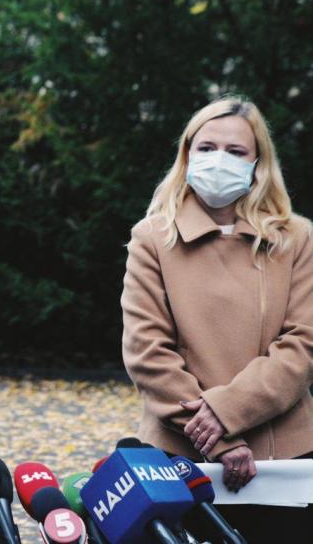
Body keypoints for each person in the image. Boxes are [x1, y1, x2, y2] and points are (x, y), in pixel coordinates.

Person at [121, 97, 313, 540]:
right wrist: (219, 439)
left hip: (285, 459)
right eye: (206, 148)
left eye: (235, 151)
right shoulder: (152, 237)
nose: (218, 160)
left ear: (258, 164)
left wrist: (228, 412)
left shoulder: (296, 238)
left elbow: (302, 344)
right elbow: (147, 352)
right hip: (179, 454)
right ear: (187, 155)